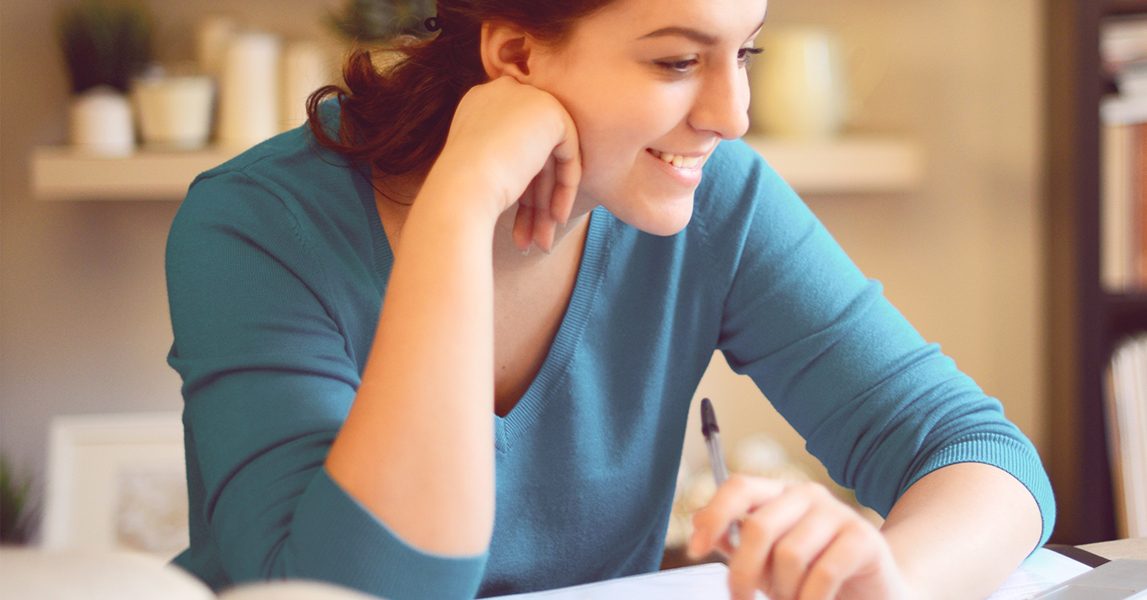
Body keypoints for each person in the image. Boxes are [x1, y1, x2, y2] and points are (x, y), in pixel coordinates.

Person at [163, 0, 1055, 598]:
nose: (732, 113)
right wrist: (462, 202)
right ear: (514, 55)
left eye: (743, 52)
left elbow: (979, 454)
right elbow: (354, 595)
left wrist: (882, 579)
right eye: (676, 60)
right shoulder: (257, 225)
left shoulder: (719, 197)